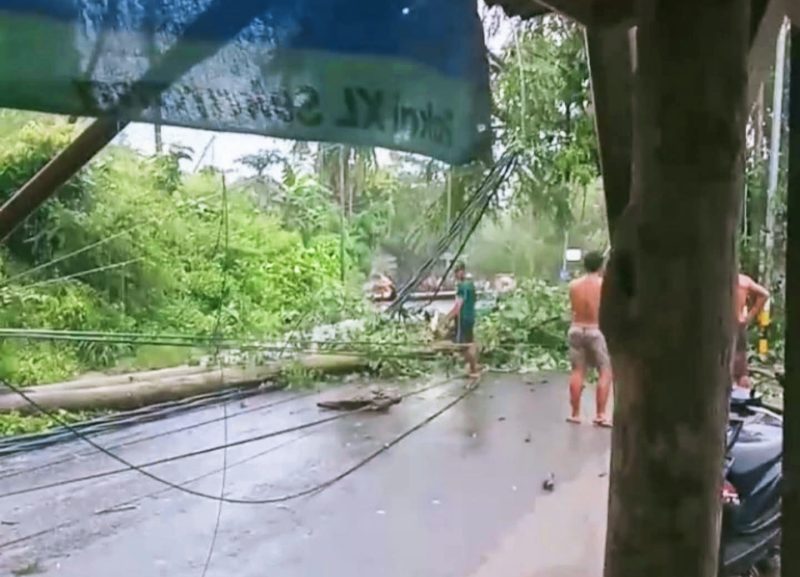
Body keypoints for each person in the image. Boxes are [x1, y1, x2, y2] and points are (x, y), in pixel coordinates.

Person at [567, 250, 612, 427]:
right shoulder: (604, 286)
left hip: (576, 328)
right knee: (605, 371)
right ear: (601, 265)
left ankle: (575, 414)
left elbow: (573, 308)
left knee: (578, 371)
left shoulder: (573, 285)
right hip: (596, 329)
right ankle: (600, 414)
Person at [734, 272, 769, 388]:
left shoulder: (720, 280)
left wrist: (750, 315)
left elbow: (765, 294)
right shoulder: (744, 280)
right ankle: (742, 392)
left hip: (723, 324)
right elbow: (765, 294)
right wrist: (749, 316)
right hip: (738, 323)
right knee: (740, 364)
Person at [446, 261, 480, 379]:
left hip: (463, 318)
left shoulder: (462, 287)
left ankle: (473, 369)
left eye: (456, 272)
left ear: (461, 272)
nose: (455, 275)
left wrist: (447, 319)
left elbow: (458, 306)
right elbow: (474, 300)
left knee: (463, 345)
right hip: (471, 316)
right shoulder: (471, 285)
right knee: (470, 342)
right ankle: (473, 366)